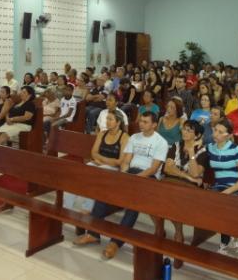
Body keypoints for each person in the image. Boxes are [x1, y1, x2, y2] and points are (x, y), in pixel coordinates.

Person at [73, 112, 168, 259]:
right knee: (103, 193)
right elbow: (126, 161)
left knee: (133, 204)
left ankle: (115, 243)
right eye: (141, 121)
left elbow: (153, 169)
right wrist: (124, 176)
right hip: (129, 173)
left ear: (154, 125)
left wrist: (134, 179)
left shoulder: (160, 142)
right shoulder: (135, 138)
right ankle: (93, 234)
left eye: (145, 122)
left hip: (148, 178)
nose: (141, 124)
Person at [189, 118, 238, 255]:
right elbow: (196, 169)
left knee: (224, 204)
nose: (215, 134)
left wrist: (228, 191)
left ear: (228, 136)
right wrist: (192, 151)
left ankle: (224, 243)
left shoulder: (236, 150)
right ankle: (231, 232)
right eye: (215, 130)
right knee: (207, 203)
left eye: (220, 132)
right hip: (219, 186)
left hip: (237, 188)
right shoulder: (210, 148)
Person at [63, 110, 129, 212]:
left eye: (110, 119)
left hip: (113, 169)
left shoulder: (124, 137)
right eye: (107, 118)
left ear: (118, 122)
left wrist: (102, 161)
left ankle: (87, 209)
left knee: (95, 177)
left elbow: (120, 161)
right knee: (76, 177)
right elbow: (94, 153)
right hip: (98, 164)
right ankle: (66, 208)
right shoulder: (102, 134)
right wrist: (103, 160)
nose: (107, 121)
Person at [163, 120, 205, 266]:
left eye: (189, 130)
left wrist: (192, 152)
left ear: (197, 134)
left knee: (178, 198)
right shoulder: (175, 145)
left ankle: (178, 235)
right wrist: (187, 176)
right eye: (184, 129)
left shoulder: (203, 151)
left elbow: (196, 172)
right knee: (153, 193)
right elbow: (167, 169)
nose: (184, 132)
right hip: (172, 181)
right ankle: (160, 229)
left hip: (189, 189)